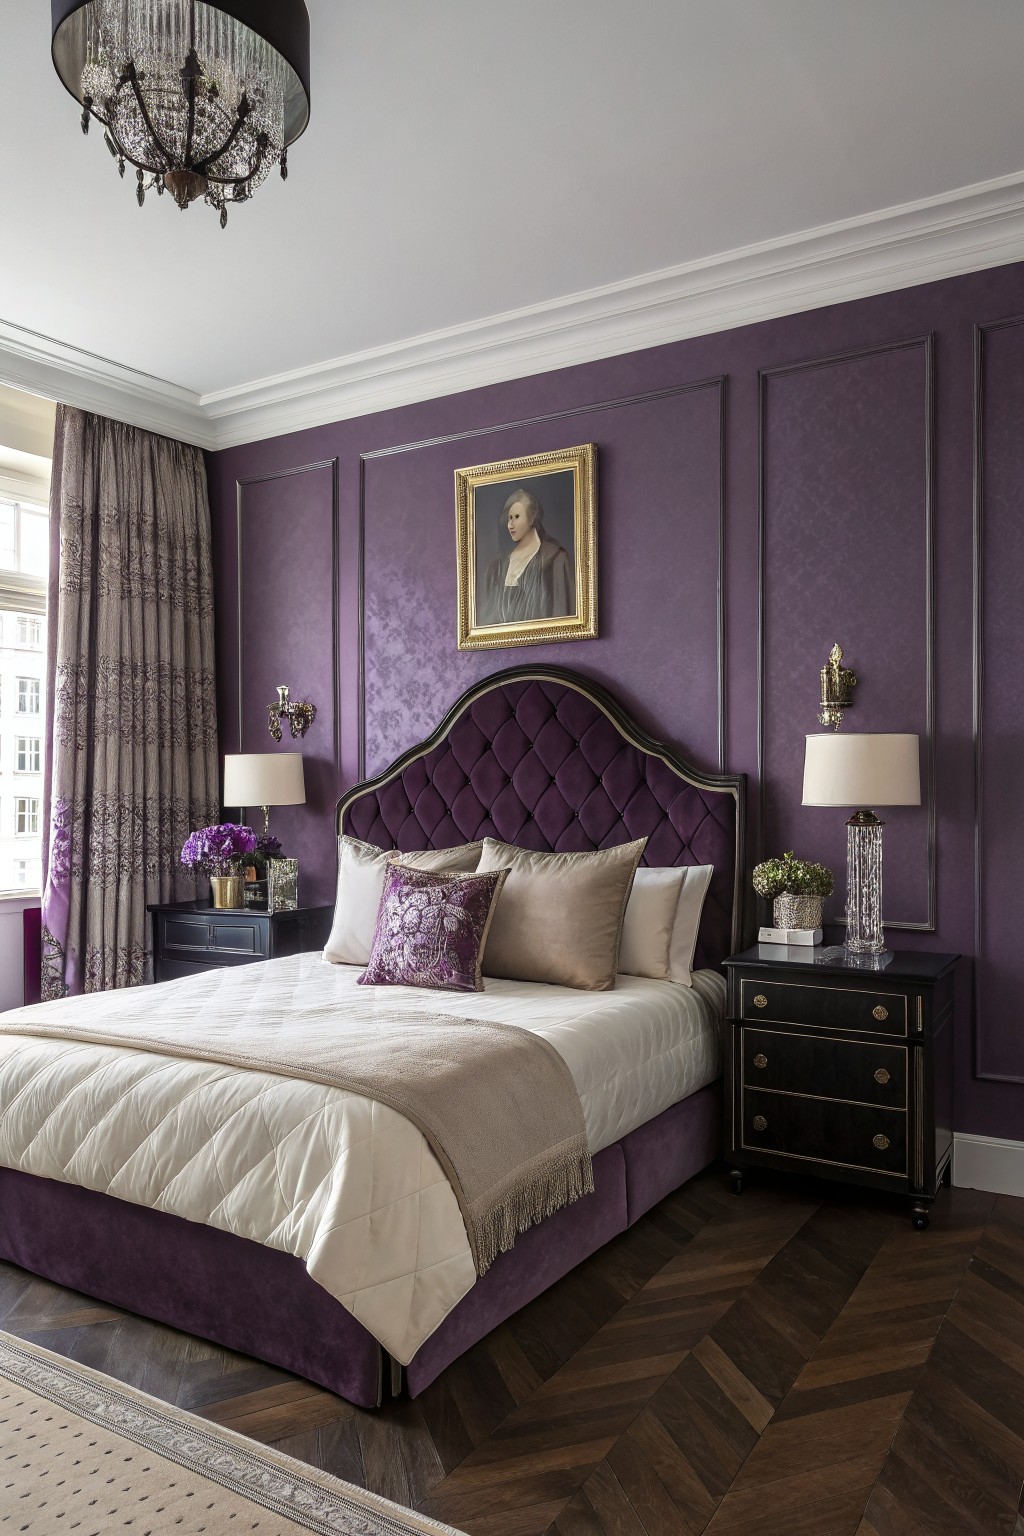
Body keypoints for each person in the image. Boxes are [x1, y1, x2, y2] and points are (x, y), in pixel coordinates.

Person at [479, 487, 576, 627]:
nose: (510, 525)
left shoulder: (556, 559)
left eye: (517, 517)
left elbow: (563, 614)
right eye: (509, 518)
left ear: (532, 518)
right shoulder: (497, 568)